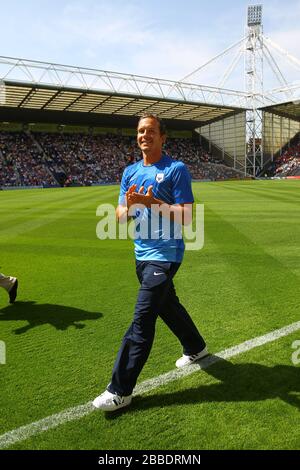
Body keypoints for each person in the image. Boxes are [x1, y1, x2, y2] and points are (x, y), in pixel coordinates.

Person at [93, 114, 207, 411]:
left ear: (163, 136)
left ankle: (120, 390)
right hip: (141, 254)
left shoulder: (175, 169)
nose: (145, 135)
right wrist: (130, 206)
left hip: (166, 255)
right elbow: (119, 216)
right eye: (141, 131)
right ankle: (196, 347)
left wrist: (152, 202)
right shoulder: (129, 172)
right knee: (167, 305)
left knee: (143, 319)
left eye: (151, 131)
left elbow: (186, 216)